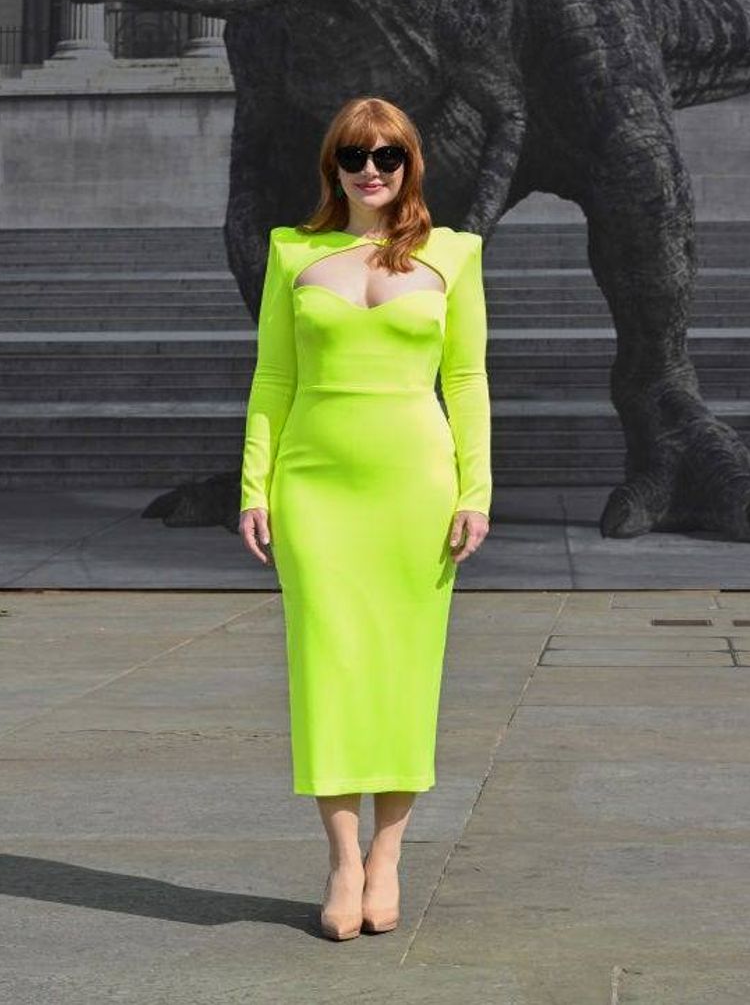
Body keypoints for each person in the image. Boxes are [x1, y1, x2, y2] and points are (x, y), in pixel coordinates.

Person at [237, 96, 492, 941]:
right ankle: (344, 860)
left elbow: (466, 383)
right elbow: (273, 379)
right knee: (328, 670)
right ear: (333, 167)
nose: (372, 170)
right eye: (355, 156)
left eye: (388, 155)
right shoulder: (291, 252)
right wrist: (254, 486)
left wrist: (475, 491)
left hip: (416, 489)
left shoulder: (454, 255)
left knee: (405, 674)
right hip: (316, 490)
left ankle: (389, 854)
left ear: (411, 162)